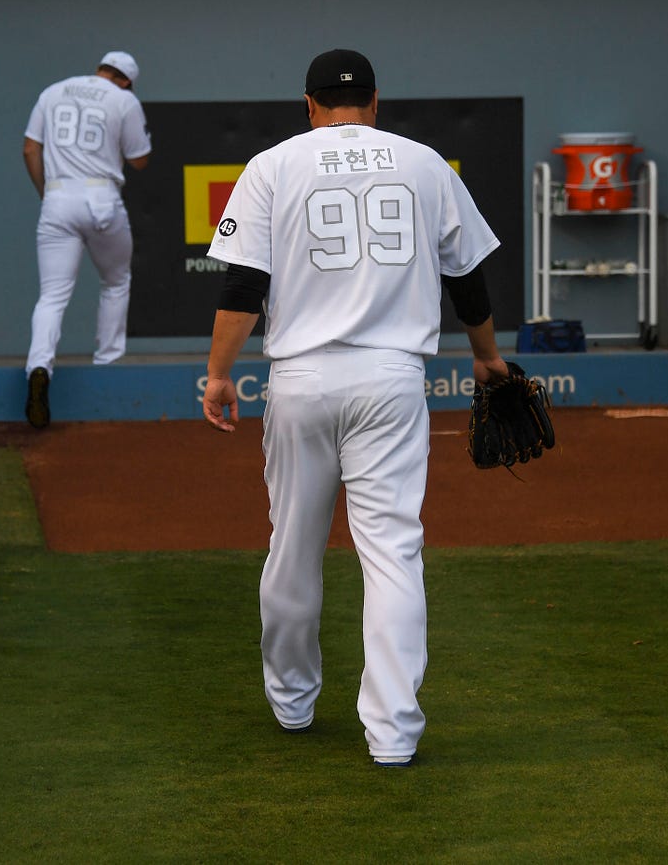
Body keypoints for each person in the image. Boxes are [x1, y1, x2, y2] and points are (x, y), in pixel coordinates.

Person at [202, 49, 510, 767]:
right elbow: (467, 279)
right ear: (376, 101)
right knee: (395, 554)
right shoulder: (425, 163)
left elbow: (244, 288)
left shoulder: (273, 164)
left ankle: (291, 703)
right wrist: (487, 356)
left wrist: (218, 374)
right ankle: (394, 734)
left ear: (309, 105)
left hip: (301, 378)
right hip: (392, 377)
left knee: (292, 547)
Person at [22, 50, 152, 428]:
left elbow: (30, 148)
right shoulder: (124, 99)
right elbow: (141, 159)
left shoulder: (53, 91)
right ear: (126, 79)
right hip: (101, 198)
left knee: (52, 294)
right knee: (116, 280)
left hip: (58, 197)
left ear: (100, 69)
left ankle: (38, 365)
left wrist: (47, 192)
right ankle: (108, 364)